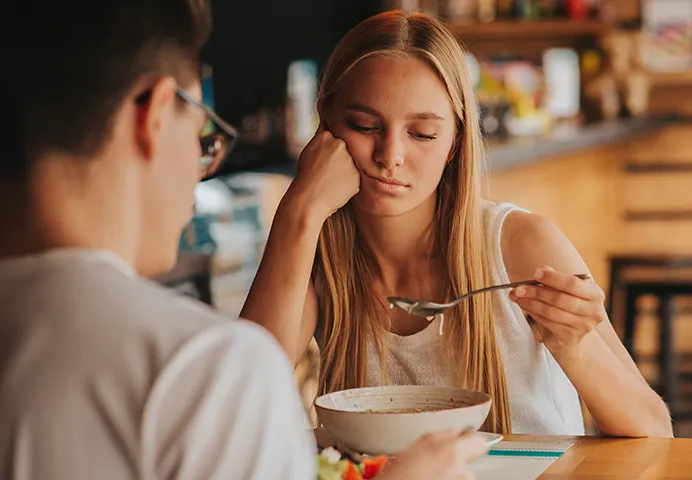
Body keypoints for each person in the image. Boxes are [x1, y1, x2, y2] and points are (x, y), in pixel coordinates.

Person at [0, 1, 486, 478]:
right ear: (155, 112)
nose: (390, 156)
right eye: (202, 131)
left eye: (421, 133)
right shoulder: (203, 368)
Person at [243, 10, 674, 438]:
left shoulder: (521, 245)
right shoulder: (315, 256)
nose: (390, 154)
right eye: (365, 125)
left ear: (454, 142)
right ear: (326, 124)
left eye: (422, 134)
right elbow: (240, 402)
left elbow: (655, 432)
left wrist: (575, 347)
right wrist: (297, 210)